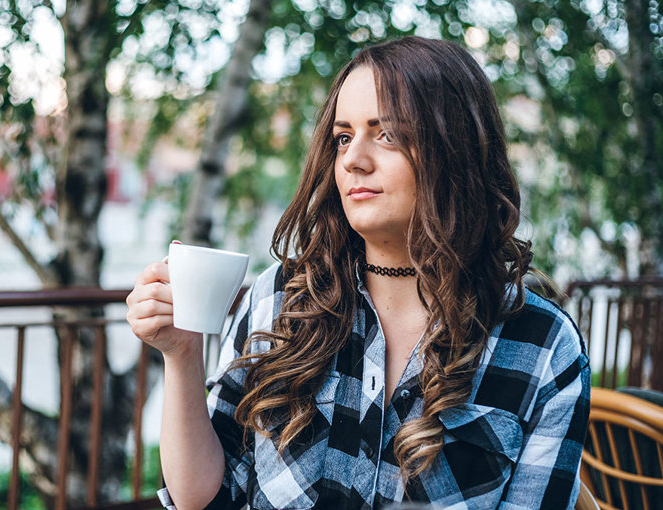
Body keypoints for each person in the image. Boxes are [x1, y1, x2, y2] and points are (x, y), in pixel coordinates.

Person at [126, 36, 590, 510]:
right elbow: (204, 497)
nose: (352, 159)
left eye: (387, 135)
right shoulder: (281, 299)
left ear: (456, 149)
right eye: (344, 137)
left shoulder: (542, 345)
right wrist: (182, 354)